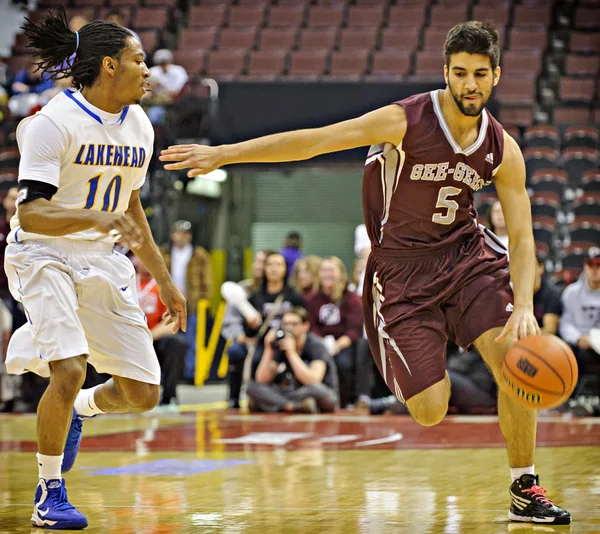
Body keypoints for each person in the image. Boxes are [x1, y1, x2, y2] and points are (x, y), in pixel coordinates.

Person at [160, 21, 570, 524]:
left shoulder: (503, 148)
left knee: (515, 363)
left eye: (480, 74)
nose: (470, 84)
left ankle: (524, 486)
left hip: (466, 259)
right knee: (430, 410)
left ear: (496, 77)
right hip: (399, 272)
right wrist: (225, 153)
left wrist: (525, 307)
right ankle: (413, 355)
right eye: (460, 73)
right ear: (445, 73)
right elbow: (315, 141)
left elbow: (524, 236)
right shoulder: (406, 120)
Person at [4, 10, 186, 530]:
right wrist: (94, 216)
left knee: (143, 394)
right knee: (68, 366)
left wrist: (165, 278)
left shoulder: (140, 125)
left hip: (101, 258)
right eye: (139, 60)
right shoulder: (51, 124)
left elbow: (131, 209)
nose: (148, 71)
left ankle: (81, 408)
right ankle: (49, 493)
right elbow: (31, 211)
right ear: (109, 65)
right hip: (43, 252)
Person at [247, 307, 338, 413]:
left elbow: (313, 380)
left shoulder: (316, 345)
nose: (289, 328)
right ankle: (291, 406)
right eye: (286, 324)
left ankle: (271, 403)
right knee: (252, 387)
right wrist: (268, 349)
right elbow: (262, 379)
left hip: (317, 392)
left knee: (319, 391)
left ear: (306, 326)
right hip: (294, 393)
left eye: (294, 324)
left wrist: (292, 353)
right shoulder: (282, 343)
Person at [559, 247, 600, 395]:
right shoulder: (571, 292)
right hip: (579, 343)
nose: (594, 269)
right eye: (591, 265)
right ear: (585, 266)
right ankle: (572, 396)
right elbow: (565, 323)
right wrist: (578, 338)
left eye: (598, 265)